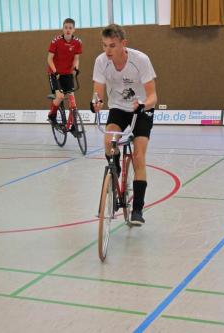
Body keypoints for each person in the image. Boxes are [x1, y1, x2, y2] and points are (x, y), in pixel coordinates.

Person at [91, 24, 157, 226]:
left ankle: (137, 209)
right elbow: (98, 94)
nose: (107, 50)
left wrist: (144, 104)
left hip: (142, 109)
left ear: (123, 44)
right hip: (118, 109)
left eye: (112, 45)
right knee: (108, 140)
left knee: (138, 156)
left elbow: (153, 96)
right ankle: (115, 170)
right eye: (104, 45)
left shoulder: (141, 60)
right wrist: (96, 103)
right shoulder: (101, 62)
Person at [46, 18, 82, 125]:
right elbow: (49, 59)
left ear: (74, 30)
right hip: (54, 73)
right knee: (60, 96)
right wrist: (55, 72)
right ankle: (52, 115)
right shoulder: (55, 41)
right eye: (66, 27)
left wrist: (76, 68)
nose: (68, 30)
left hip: (67, 73)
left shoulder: (77, 43)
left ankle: (72, 124)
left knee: (72, 99)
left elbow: (76, 59)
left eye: (70, 28)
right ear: (63, 29)